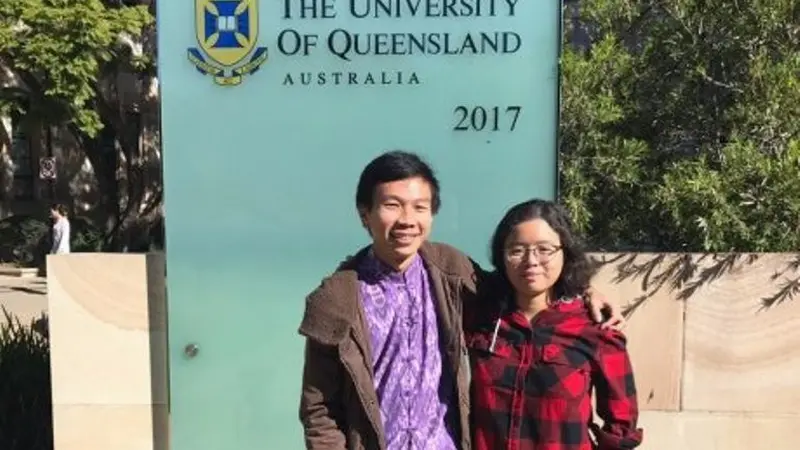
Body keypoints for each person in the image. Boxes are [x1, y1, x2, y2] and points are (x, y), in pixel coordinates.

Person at [297, 151, 624, 450]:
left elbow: (523, 282)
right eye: (392, 205)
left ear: (432, 214)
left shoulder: (452, 272)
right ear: (364, 213)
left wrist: (583, 290)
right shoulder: (336, 299)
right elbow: (319, 407)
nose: (407, 220)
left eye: (420, 207)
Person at [467, 199, 643, 450]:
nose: (531, 261)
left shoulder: (593, 329)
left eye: (544, 249)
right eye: (516, 250)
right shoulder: (481, 318)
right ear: (501, 256)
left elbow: (622, 426)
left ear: (565, 252)